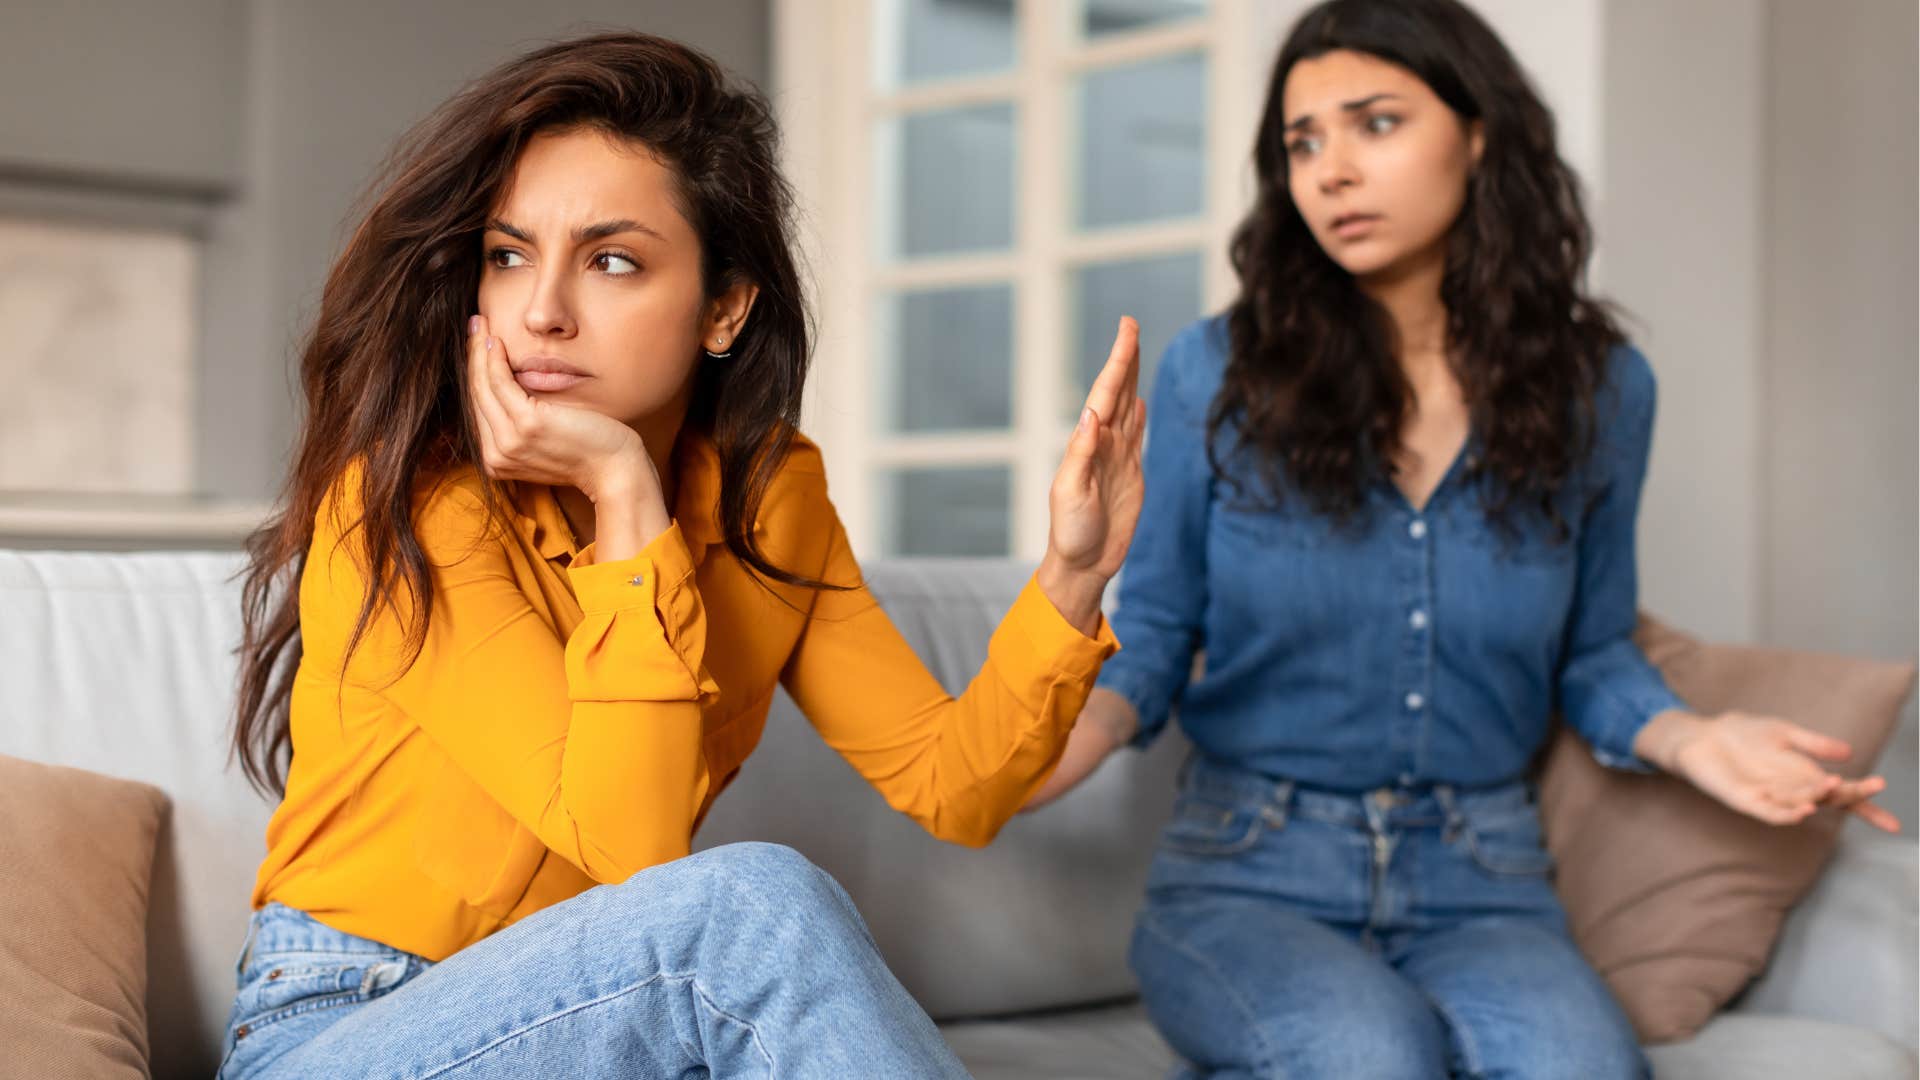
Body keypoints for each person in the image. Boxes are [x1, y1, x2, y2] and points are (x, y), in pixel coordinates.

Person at [222, 31, 1145, 1079]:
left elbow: (955, 784)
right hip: (350, 1024)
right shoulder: (406, 509)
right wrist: (625, 491)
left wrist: (1075, 571)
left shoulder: (766, 497)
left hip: (611, 1030)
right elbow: (634, 857)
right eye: (508, 253)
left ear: (724, 307)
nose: (542, 312)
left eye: (612, 261)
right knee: (750, 905)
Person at [1024, 1, 1899, 1077]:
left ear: (1478, 134)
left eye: (1374, 123)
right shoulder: (1219, 371)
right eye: (1302, 143)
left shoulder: (1602, 391)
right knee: (1369, 1058)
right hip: (1249, 874)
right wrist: (1021, 757)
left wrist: (1694, 740)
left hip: (1484, 879)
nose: (1331, 170)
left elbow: (1592, 652)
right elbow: (1154, 633)